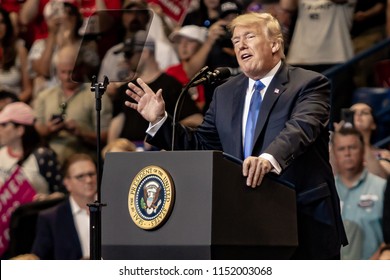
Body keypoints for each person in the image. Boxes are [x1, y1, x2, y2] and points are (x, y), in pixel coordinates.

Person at [124, 12, 347, 259]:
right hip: (245, 224)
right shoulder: (225, 93)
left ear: (274, 44)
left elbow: (301, 128)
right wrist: (159, 121)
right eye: (235, 40)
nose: (240, 45)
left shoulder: (309, 83)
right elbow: (202, 145)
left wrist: (268, 159)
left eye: (249, 36)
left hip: (303, 222)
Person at [108, 30, 203, 150]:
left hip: (159, 153)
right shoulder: (125, 88)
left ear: (145, 53)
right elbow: (117, 121)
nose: (126, 59)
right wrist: (110, 150)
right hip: (127, 152)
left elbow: (196, 119)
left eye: (129, 54)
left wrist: (160, 131)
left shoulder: (170, 85)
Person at [280, 0, 357, 125]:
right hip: (300, 57)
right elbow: (287, 5)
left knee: (334, 116)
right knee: (299, 114)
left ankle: (333, 143)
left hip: (336, 57)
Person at [33, 43, 112, 164]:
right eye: (62, 72)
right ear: (56, 71)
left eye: (71, 72)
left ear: (82, 68)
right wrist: (48, 130)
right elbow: (36, 131)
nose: (66, 77)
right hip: (50, 162)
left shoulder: (96, 95)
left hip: (84, 161)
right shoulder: (44, 96)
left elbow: (106, 137)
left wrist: (81, 133)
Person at [331, 127, 386, 259]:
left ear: (363, 151)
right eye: (341, 149)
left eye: (352, 147)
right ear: (334, 153)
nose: (347, 153)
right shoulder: (327, 191)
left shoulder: (382, 187)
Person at [30, 153, 97, 260]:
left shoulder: (114, 209)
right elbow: (38, 260)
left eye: (91, 174)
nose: (88, 180)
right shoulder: (51, 218)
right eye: (80, 176)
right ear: (67, 183)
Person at [332, 102, 390, 178]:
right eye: (353, 113)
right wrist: (336, 139)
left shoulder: (384, 154)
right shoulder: (333, 150)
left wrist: (362, 142)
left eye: (365, 113)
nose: (358, 115)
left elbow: (382, 178)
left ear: (373, 124)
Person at [0, 7, 33, 103]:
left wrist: (11, 104)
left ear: (7, 26)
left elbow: (28, 90)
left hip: (14, 105)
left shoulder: (20, 50)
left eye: (2, 22)